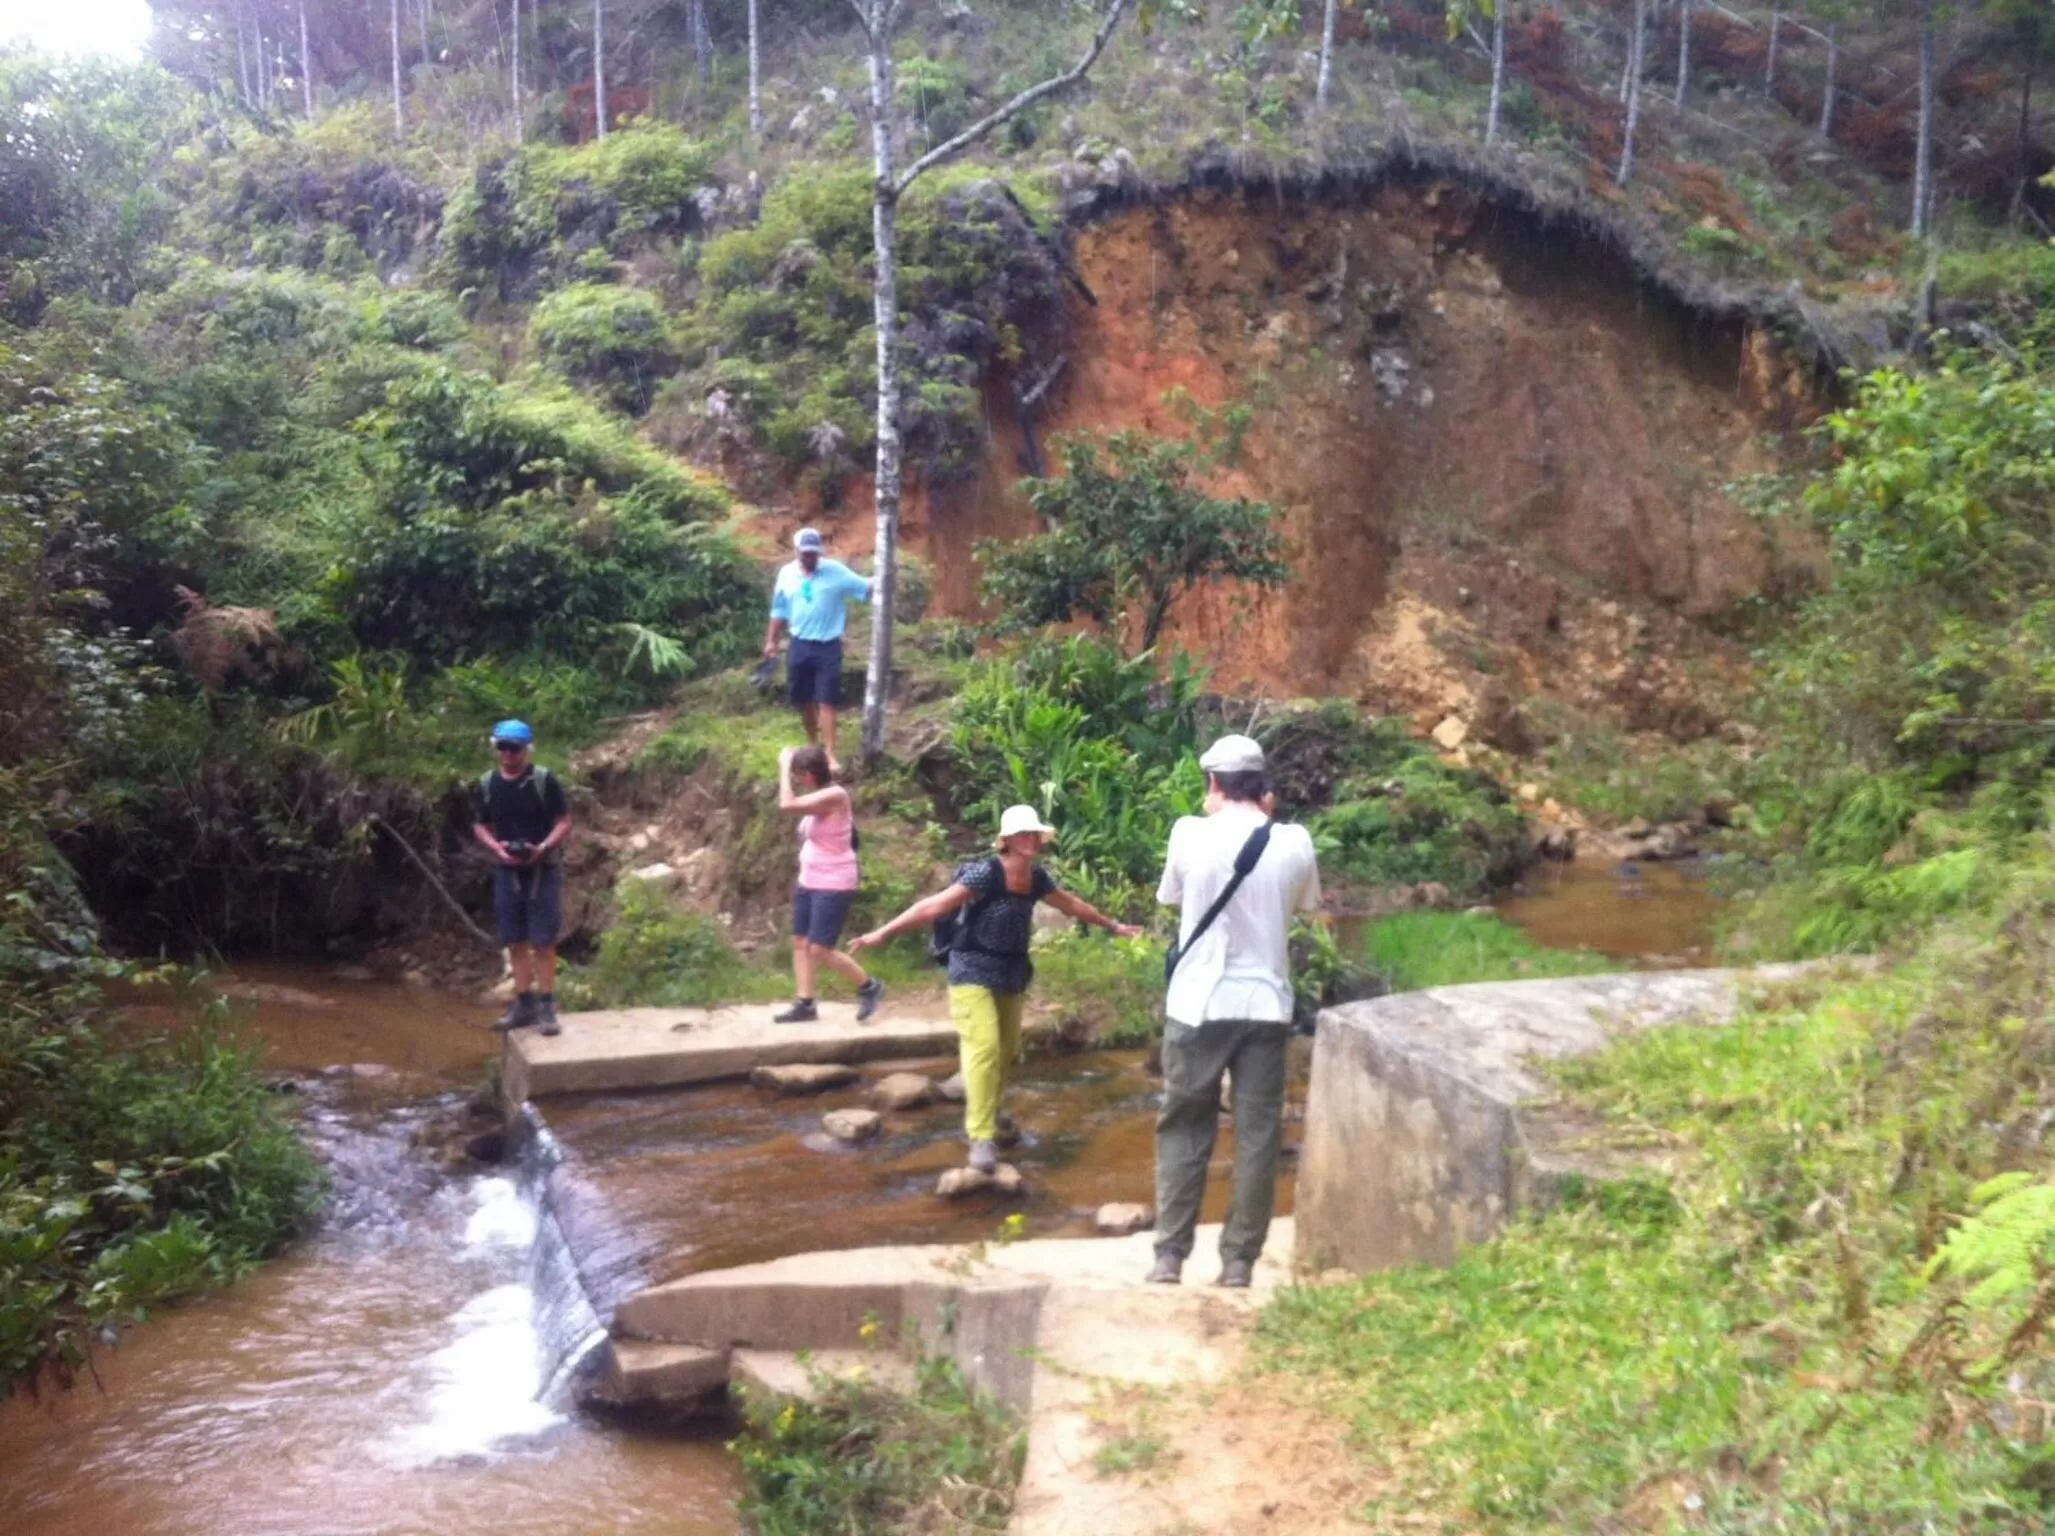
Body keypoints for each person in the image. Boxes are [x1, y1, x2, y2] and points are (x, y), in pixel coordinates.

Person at [850, 806, 1140, 1173]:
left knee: (1006, 1051)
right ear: (1007, 840)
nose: (1030, 839)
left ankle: (986, 1104)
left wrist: (1113, 925)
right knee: (984, 1047)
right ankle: (981, 1137)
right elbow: (934, 905)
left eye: (1034, 834)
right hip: (971, 967)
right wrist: (883, 932)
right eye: (1023, 834)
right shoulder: (986, 873)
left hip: (1012, 971)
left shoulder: (1036, 878)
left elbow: (1070, 904)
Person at [1148, 734, 1320, 1289]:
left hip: (1197, 1005)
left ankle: (1170, 1257)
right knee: (1258, 1136)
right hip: (1266, 1006)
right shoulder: (1294, 841)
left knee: (1184, 1127)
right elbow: (1305, 904)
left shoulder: (1188, 833)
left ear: (1213, 783)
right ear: (1262, 786)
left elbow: (1172, 897)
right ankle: (1239, 1264)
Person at [472, 720, 574, 1036]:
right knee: (515, 940)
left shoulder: (543, 780)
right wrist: (497, 848)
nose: (508, 754)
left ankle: (547, 1005)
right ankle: (524, 1002)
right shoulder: (487, 784)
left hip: (542, 870)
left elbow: (563, 821)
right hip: (507, 871)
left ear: (526, 749)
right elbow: (480, 825)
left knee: (543, 941)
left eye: (514, 748)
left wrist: (542, 847)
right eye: (502, 747)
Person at [774, 744, 885, 1025]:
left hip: (834, 882)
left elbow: (787, 804)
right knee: (801, 943)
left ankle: (869, 986)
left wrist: (783, 766)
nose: (796, 780)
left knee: (820, 949)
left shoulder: (835, 796)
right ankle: (805, 1003)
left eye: (798, 774)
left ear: (808, 774)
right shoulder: (819, 795)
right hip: (809, 880)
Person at [763, 527, 872, 776]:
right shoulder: (787, 574)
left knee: (827, 699)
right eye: (805, 554)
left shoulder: (835, 571)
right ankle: (813, 745)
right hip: (799, 643)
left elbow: (863, 586)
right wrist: (771, 640)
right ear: (796, 552)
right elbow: (779, 610)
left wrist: (882, 578)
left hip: (828, 645)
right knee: (804, 699)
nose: (810, 558)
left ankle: (830, 753)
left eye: (814, 553)